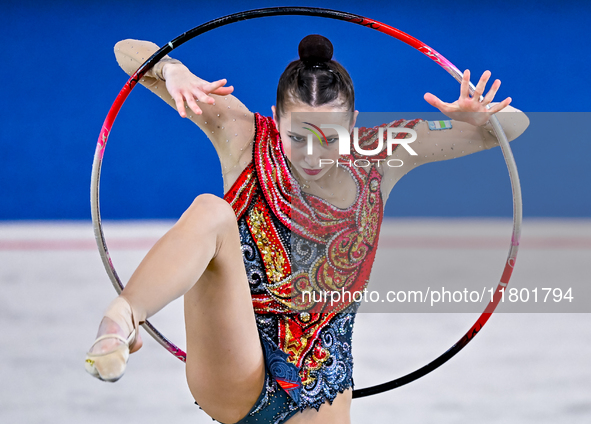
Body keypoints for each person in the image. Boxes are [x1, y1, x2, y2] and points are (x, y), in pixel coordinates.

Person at [85, 34, 529, 424]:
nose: (313, 156)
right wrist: (171, 68)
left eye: (330, 139)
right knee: (212, 212)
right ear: (277, 117)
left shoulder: (383, 153)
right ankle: (122, 317)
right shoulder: (241, 134)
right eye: (297, 137)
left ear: (352, 125)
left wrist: (479, 120)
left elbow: (514, 127)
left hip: (321, 406)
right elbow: (126, 52)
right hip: (234, 374)